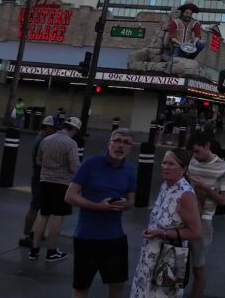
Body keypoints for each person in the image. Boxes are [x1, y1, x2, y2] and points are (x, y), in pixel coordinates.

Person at [64, 128, 137, 298]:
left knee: (117, 284)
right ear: (109, 144)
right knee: (82, 286)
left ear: (130, 148)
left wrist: (125, 204)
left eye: (126, 143)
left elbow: (131, 201)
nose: (121, 146)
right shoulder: (91, 164)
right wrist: (98, 206)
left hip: (115, 237)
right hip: (87, 237)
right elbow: (70, 196)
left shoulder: (130, 170)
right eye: (117, 140)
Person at [130, 149, 202, 298]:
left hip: (171, 256)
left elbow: (195, 232)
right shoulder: (165, 186)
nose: (165, 167)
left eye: (171, 164)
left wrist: (161, 233)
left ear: (183, 168)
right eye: (164, 162)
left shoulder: (185, 194)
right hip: (149, 256)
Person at [185, 132, 225, 298]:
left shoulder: (224, 168)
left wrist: (205, 188)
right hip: (184, 217)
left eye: (197, 151)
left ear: (207, 146)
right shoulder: (192, 162)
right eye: (192, 153)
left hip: (203, 221)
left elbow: (223, 201)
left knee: (198, 267)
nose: (195, 156)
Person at [30, 117, 82, 262]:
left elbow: (39, 160)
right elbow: (74, 167)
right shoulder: (71, 144)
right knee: (57, 217)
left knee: (43, 214)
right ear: (74, 130)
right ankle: (52, 251)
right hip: (62, 183)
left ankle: (34, 250)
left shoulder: (46, 140)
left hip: (44, 181)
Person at [20, 115, 56, 247]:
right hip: (40, 178)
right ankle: (26, 235)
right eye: (52, 128)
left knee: (40, 207)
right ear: (46, 127)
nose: (54, 131)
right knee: (35, 207)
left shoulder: (42, 138)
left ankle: (34, 233)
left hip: (39, 177)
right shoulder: (42, 141)